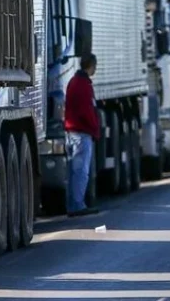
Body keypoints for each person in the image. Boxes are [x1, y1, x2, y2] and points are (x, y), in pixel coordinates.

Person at [64, 53, 101, 217]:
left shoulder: (73, 82)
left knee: (73, 171)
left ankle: (73, 204)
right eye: (95, 67)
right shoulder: (84, 85)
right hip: (82, 133)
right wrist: (95, 129)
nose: (95, 70)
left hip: (71, 132)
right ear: (90, 66)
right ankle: (78, 204)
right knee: (81, 171)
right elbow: (87, 111)